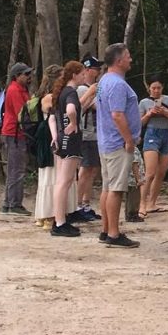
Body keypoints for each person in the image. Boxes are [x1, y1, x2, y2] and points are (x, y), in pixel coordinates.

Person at [95, 43, 142, 248]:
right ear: (119, 60)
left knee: (108, 187)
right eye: (128, 56)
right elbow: (117, 114)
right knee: (116, 189)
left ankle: (106, 230)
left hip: (106, 142)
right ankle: (114, 234)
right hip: (117, 143)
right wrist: (129, 139)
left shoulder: (104, 80)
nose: (131, 59)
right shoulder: (117, 84)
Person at [50, 61, 88, 237]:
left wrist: (55, 136)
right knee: (65, 182)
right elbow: (71, 109)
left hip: (61, 139)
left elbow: (51, 117)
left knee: (60, 182)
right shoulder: (71, 92)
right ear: (74, 75)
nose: (83, 76)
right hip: (70, 140)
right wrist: (73, 123)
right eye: (81, 74)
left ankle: (59, 219)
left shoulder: (59, 92)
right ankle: (59, 222)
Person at [139, 77, 168, 216]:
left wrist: (165, 112)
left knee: (161, 172)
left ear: (162, 88)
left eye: (158, 88)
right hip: (151, 135)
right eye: (153, 88)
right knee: (149, 173)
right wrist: (149, 114)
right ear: (149, 88)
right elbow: (139, 123)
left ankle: (152, 203)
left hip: (166, 135)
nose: (156, 90)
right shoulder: (144, 102)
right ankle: (142, 204)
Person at [33, 65, 66, 229]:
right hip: (49, 136)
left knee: (48, 175)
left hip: (46, 134)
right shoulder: (49, 97)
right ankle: (48, 214)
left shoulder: (44, 95)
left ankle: (43, 213)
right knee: (50, 174)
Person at [0, 62, 34, 216]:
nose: (28, 77)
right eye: (25, 74)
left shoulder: (21, 89)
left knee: (15, 168)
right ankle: (14, 203)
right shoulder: (14, 90)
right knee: (16, 169)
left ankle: (9, 203)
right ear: (17, 76)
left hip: (16, 133)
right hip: (14, 133)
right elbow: (22, 112)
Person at [76, 54, 104, 222]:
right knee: (85, 169)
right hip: (86, 134)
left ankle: (86, 203)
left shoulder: (92, 88)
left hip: (95, 134)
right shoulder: (83, 89)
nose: (99, 71)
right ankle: (78, 204)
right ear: (87, 70)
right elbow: (90, 106)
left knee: (93, 169)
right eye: (96, 68)